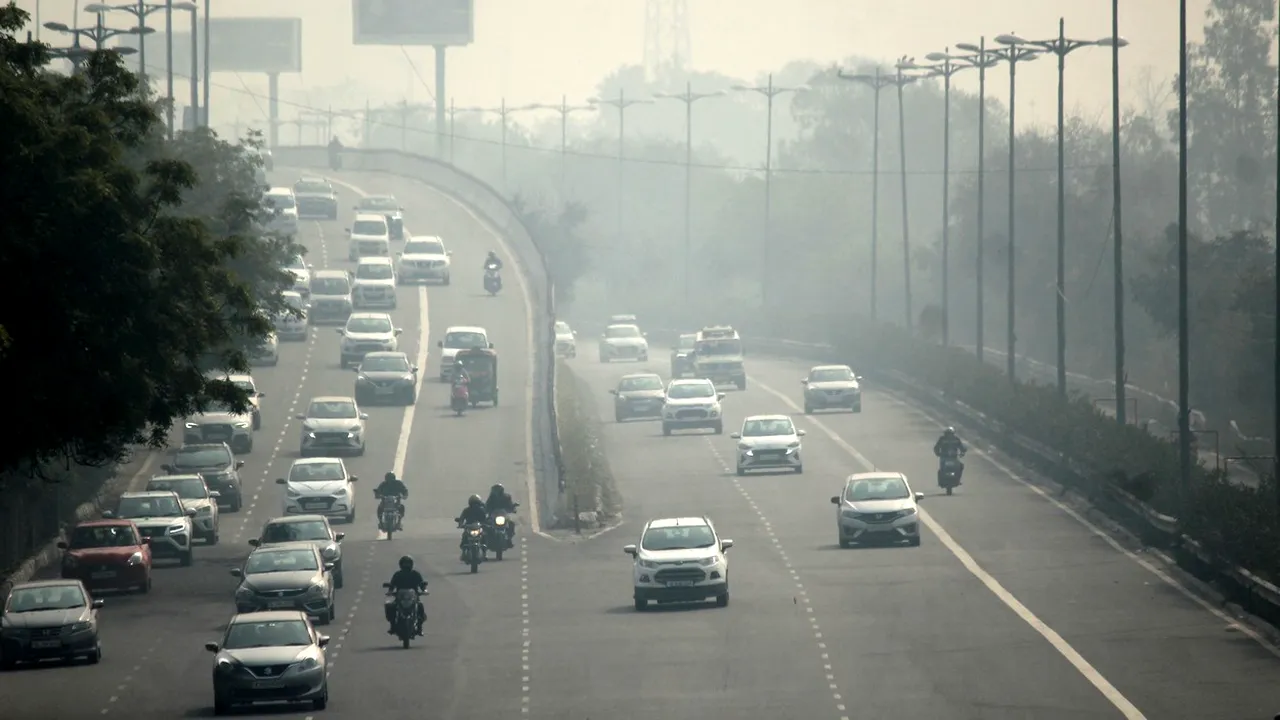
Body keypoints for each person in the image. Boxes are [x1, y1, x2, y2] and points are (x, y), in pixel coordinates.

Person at [383, 555, 427, 636]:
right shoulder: (397, 574)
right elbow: (392, 585)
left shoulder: (415, 574)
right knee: (390, 607)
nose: (406, 566)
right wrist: (390, 591)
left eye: (408, 564)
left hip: (413, 598)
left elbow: (421, 584)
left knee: (420, 607)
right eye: (405, 564)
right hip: (400, 598)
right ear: (401, 564)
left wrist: (424, 590)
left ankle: (419, 628)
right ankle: (392, 626)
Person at [455, 494, 489, 561]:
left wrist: (486, 524)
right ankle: (464, 552)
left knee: (484, 536)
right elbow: (462, 518)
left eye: (476, 503)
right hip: (469, 528)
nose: (475, 505)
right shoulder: (466, 510)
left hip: (478, 528)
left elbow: (485, 519)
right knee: (464, 537)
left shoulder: (481, 510)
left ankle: (484, 553)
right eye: (473, 503)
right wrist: (460, 524)